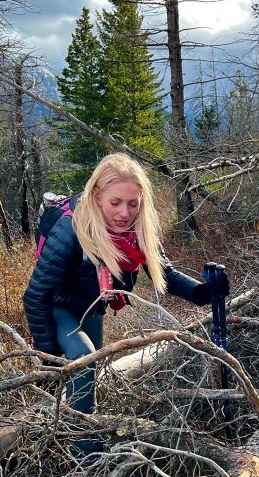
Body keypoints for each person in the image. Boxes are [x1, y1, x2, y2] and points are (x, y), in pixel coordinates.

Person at [23, 152, 228, 420]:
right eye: (115, 202)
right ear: (97, 196)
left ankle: (72, 421)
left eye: (133, 204)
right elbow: (35, 295)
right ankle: (84, 449)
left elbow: (165, 276)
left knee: (90, 370)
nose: (125, 213)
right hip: (57, 304)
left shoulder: (138, 228)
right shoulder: (70, 229)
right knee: (83, 359)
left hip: (92, 306)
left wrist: (204, 292)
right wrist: (49, 357)